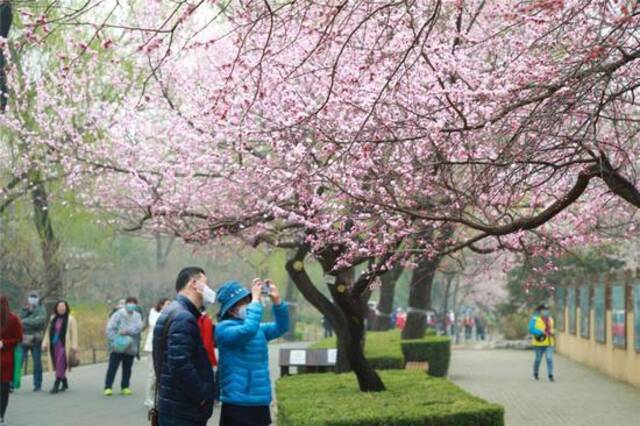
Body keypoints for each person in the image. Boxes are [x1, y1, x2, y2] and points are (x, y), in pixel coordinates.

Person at [216, 279, 289, 426]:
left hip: (260, 400)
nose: (248, 305)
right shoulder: (224, 329)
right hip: (237, 401)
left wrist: (277, 302)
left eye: (249, 300)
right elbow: (247, 331)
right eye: (244, 302)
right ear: (231, 310)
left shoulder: (259, 329)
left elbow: (281, 327)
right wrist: (255, 301)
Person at [153, 267, 217, 426]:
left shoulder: (171, 311)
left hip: (173, 405)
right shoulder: (183, 317)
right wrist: (202, 396)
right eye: (205, 283)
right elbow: (180, 363)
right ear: (193, 284)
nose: (208, 289)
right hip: (183, 409)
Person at [104, 296, 143, 396]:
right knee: (112, 367)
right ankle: (108, 387)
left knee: (127, 368)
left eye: (133, 303)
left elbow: (138, 327)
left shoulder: (137, 316)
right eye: (129, 303)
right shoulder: (118, 314)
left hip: (130, 345)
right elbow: (110, 327)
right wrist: (114, 337)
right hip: (117, 345)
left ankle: (125, 387)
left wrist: (127, 331)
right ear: (125, 304)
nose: (131, 305)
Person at [42, 300, 78, 394]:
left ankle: (56, 384)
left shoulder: (70, 319)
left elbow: (74, 334)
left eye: (63, 306)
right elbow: (48, 331)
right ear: (56, 308)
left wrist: (74, 346)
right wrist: (45, 343)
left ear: (66, 308)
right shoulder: (53, 318)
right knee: (58, 364)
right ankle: (65, 382)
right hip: (54, 345)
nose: (61, 308)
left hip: (64, 346)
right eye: (59, 306)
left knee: (60, 363)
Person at [0, 295, 23, 424]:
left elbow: (18, 338)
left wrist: (4, 343)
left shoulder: (13, 319)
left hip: (6, 357)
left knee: (3, 387)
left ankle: (1, 413)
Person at [144, 297, 171, 409]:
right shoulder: (154, 313)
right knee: (152, 374)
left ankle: (158, 398)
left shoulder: (169, 315)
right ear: (161, 305)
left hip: (163, 347)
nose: (169, 306)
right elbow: (155, 325)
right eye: (167, 304)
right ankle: (148, 398)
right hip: (152, 348)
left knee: (160, 374)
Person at [18, 291, 46, 392]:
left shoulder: (41, 309)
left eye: (35, 297)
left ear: (38, 298)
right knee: (18, 361)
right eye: (31, 297)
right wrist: (26, 313)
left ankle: (37, 384)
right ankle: (13, 383)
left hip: (35, 339)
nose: (33, 299)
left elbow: (39, 322)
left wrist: (25, 321)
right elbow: (18, 320)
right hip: (23, 339)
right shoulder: (25, 308)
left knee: (37, 363)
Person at [529, 303, 555, 382]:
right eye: (544, 310)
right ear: (540, 311)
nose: (546, 312)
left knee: (549, 358)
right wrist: (540, 332)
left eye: (547, 310)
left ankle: (550, 374)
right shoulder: (534, 319)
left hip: (549, 342)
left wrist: (552, 332)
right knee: (538, 359)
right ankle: (535, 373)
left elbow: (552, 329)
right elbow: (531, 329)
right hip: (538, 343)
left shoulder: (550, 320)